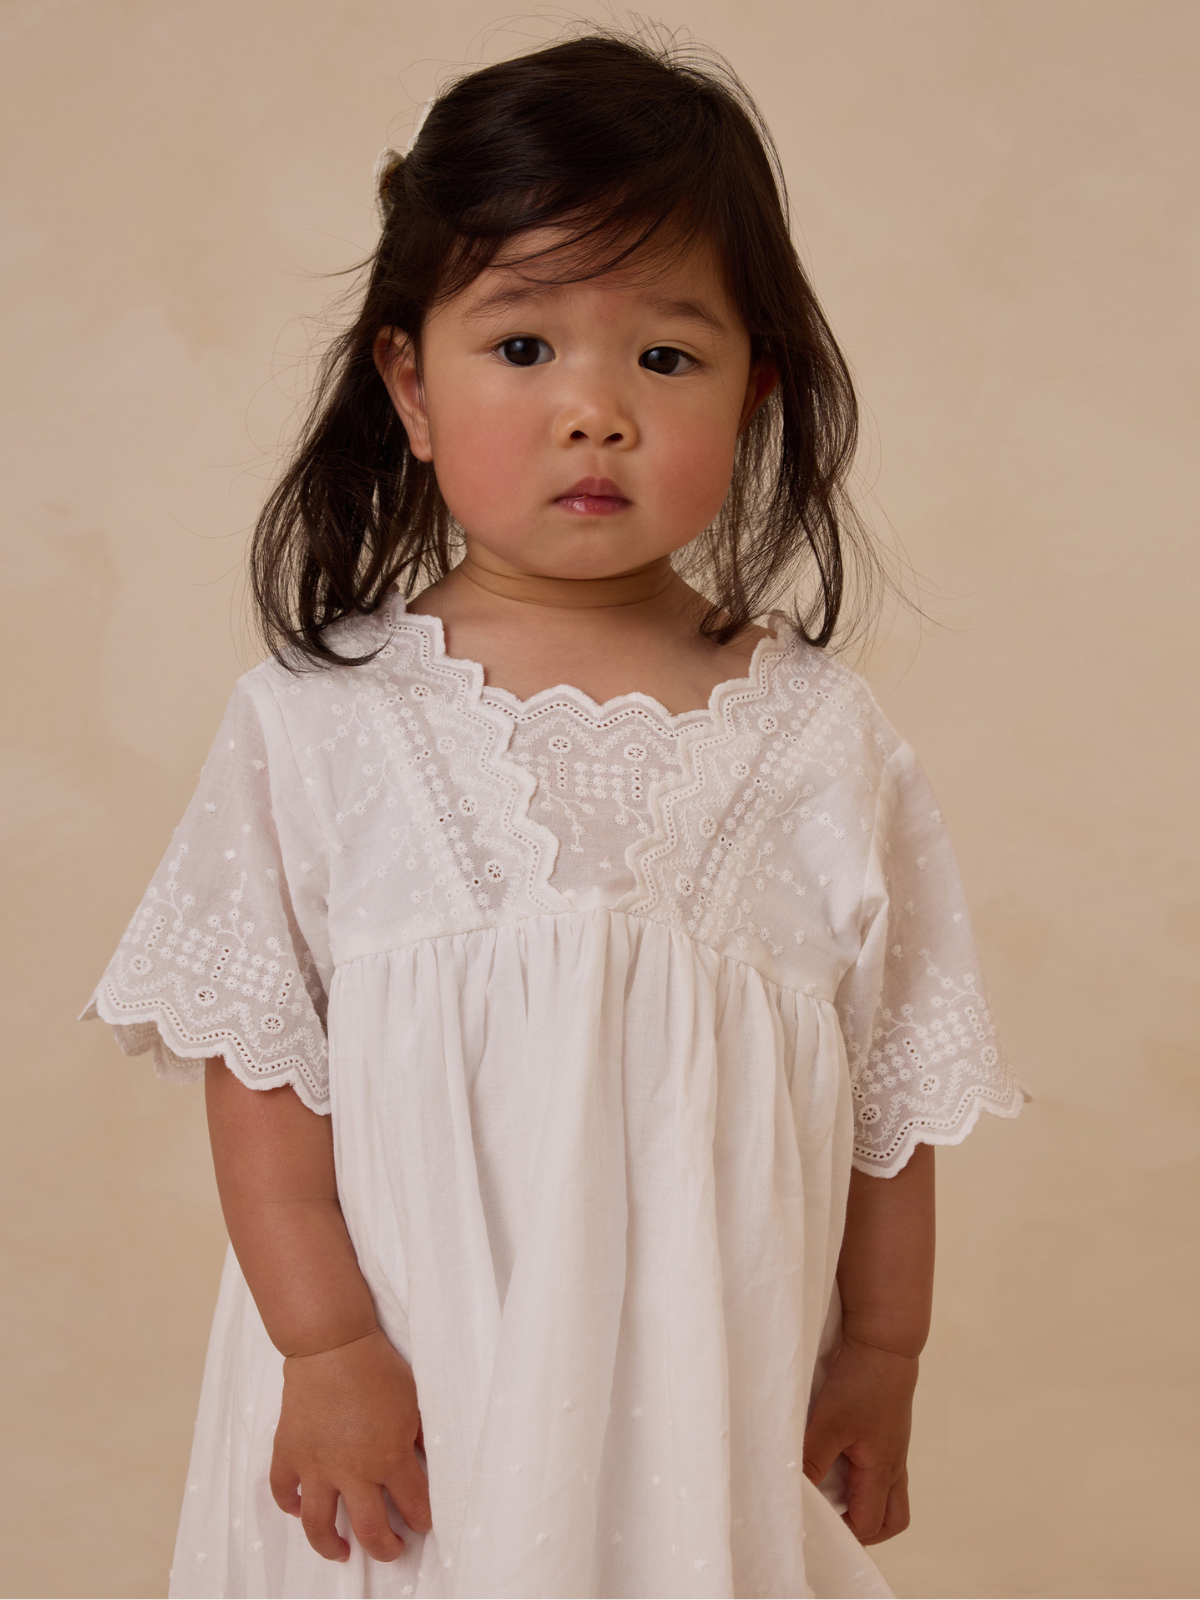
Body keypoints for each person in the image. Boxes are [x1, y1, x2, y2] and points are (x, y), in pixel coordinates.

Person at [83, 31, 1026, 1600]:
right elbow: (263, 1071)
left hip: (697, 1414)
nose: (596, 410)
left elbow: (890, 1094)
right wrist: (324, 1344)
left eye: (665, 357)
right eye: (524, 350)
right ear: (412, 382)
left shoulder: (819, 739)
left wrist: (880, 1347)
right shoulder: (320, 723)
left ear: (754, 395)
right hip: (403, 1423)